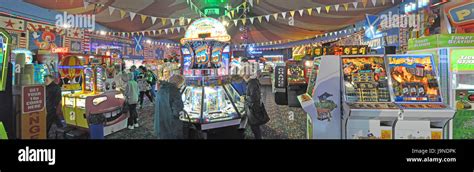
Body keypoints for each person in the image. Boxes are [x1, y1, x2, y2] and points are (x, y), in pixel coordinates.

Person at [154, 75, 185, 139]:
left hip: (160, 122)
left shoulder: (162, 88)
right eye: (181, 84)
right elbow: (177, 111)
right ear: (178, 83)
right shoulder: (175, 91)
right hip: (170, 125)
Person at [243, 68, 268, 139]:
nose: (243, 78)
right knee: (255, 124)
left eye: (243, 76)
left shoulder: (252, 83)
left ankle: (258, 137)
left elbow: (254, 97)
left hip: (253, 106)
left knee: (254, 124)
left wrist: (245, 98)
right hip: (255, 105)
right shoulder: (253, 81)